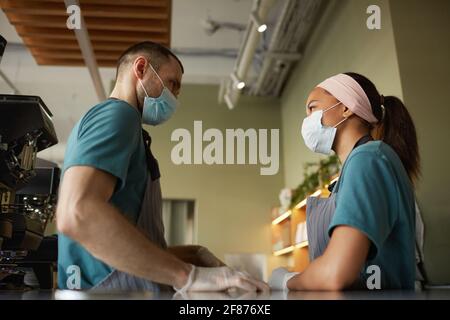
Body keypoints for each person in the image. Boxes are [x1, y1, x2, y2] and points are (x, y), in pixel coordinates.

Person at [56, 41, 268, 293]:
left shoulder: (127, 126)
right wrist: (186, 275)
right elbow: (77, 213)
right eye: (172, 84)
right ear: (141, 68)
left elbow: (117, 246)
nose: (175, 97)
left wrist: (193, 256)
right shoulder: (118, 115)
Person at [269, 72, 419, 290]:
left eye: (312, 107)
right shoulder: (359, 165)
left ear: (346, 107)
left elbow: (335, 273)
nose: (307, 119)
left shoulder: (367, 159)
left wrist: (285, 281)